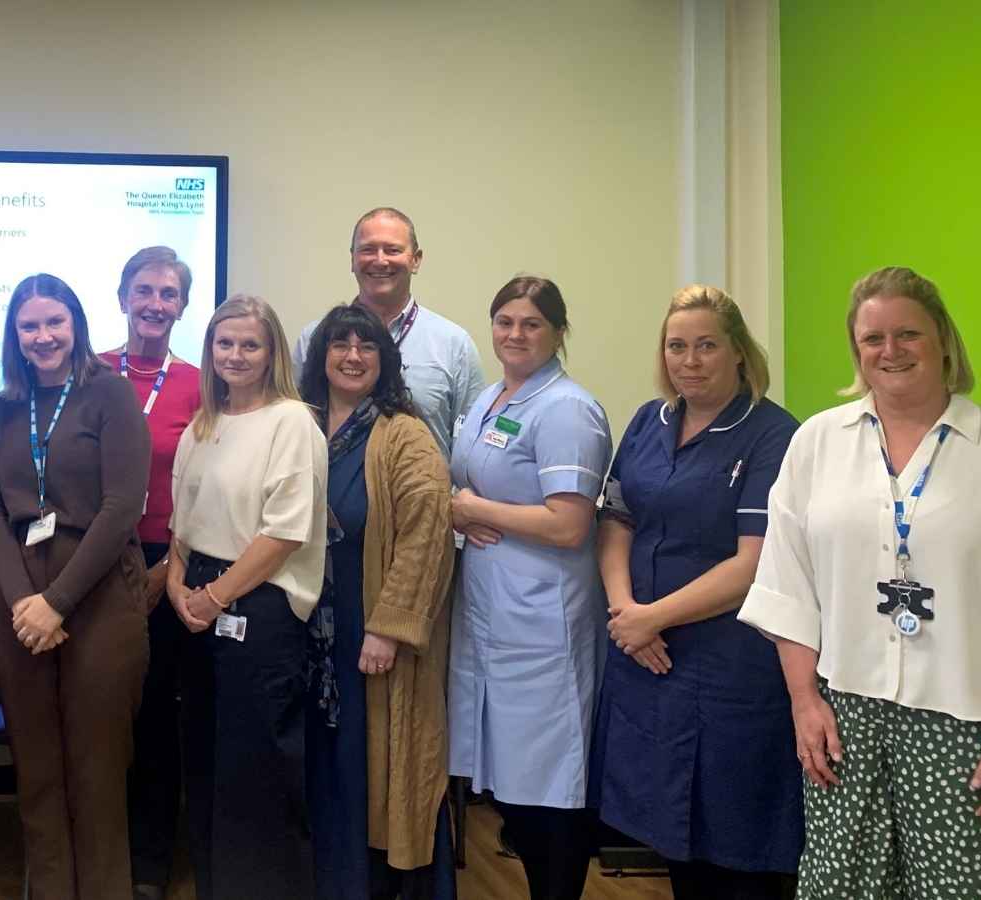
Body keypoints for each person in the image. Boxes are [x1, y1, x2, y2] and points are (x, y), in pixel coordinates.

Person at [739, 266, 981, 899]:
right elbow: (788, 582)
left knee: (960, 889)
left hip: (966, 722)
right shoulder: (817, 443)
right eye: (872, 339)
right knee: (841, 886)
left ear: (943, 340)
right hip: (842, 715)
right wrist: (804, 701)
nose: (890, 351)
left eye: (907, 333)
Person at [588, 285, 801, 899]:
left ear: (738, 351)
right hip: (648, 658)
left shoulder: (772, 435)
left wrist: (650, 617)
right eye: (677, 346)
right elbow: (617, 520)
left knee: (737, 839)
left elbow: (752, 564)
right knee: (670, 835)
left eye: (707, 345)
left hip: (729, 665)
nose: (691, 360)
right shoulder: (648, 423)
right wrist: (626, 612)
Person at [0, 273, 153, 899]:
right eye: (29, 326)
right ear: (15, 335)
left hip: (99, 590)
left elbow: (123, 505)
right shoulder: (0, 408)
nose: (43, 336)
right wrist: (25, 598)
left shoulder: (111, 395)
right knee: (38, 766)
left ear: (76, 324)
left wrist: (56, 602)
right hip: (18, 595)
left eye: (55, 322)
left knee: (97, 768)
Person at [446, 276, 611, 900]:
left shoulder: (567, 408)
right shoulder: (493, 398)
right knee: (515, 785)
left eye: (532, 324)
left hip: (545, 623)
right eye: (505, 321)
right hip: (493, 614)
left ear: (559, 333)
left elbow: (570, 525)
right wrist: (466, 508)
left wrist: (473, 512)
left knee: (550, 786)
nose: (515, 334)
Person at [169, 294, 328, 900]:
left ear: (272, 354)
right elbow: (181, 525)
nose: (235, 355)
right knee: (206, 762)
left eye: (249, 345)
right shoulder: (203, 424)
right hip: (197, 599)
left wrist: (212, 598)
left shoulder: (292, 421)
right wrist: (182, 587)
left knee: (256, 767)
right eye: (224, 343)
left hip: (257, 605)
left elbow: (285, 532)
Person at [298, 304, 456, 900]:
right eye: (340, 344)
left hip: (370, 632)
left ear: (385, 360)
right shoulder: (301, 423)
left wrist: (387, 627)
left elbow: (426, 532)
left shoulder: (402, 433)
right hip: (308, 629)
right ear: (323, 356)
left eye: (367, 346)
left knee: (380, 768)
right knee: (326, 766)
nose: (353, 355)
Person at [94, 247, 204, 900]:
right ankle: (97, 853)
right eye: (144, 290)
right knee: (98, 720)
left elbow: (209, 488)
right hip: (94, 567)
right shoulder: (92, 373)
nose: (154, 303)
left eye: (168, 293)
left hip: (167, 561)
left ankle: (149, 865)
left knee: (157, 721)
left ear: (183, 306)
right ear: (122, 297)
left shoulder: (198, 383)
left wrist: (168, 571)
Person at [294, 207, 484, 455]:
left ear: (416, 260)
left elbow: (470, 446)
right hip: (327, 491)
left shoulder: (454, 344)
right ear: (352, 259)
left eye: (393, 250)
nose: (380, 260)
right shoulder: (313, 338)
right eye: (368, 249)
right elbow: (295, 427)